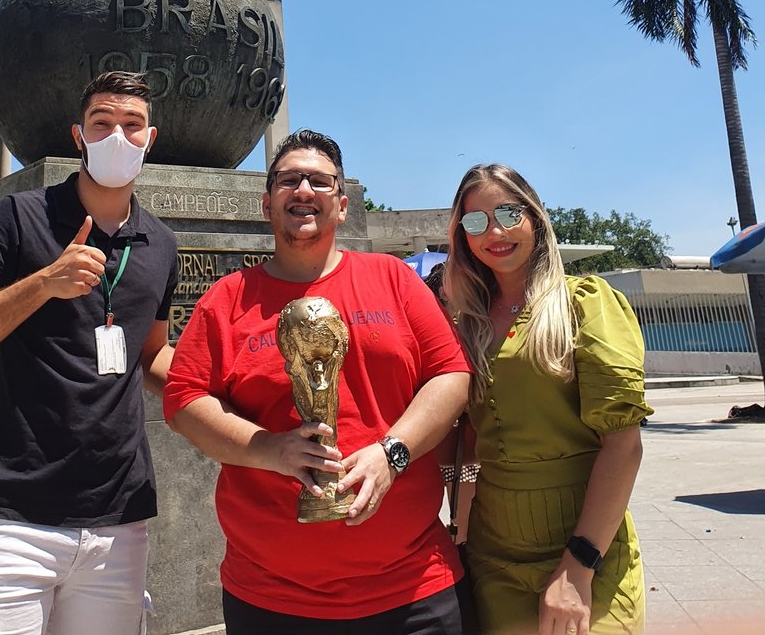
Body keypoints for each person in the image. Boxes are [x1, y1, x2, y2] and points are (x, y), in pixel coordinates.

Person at [164, 129, 472, 635]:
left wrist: (391, 453)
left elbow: (451, 374)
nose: (303, 190)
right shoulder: (227, 299)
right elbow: (183, 400)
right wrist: (269, 450)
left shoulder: (394, 278)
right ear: (267, 204)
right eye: (289, 180)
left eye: (320, 181)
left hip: (413, 589)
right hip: (271, 597)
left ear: (343, 204)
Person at [0, 71, 177, 635]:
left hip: (118, 520)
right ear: (78, 135)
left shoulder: (160, 243)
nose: (118, 135)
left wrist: (231, 392)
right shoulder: (18, 218)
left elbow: (152, 357)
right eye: (103, 123)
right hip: (11, 519)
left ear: (150, 139)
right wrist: (43, 282)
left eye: (132, 125)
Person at [445, 164, 649, 635]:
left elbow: (624, 446)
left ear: (535, 217)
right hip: (493, 554)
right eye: (475, 222)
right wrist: (460, 526)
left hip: (588, 544)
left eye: (508, 213)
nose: (494, 231)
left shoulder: (585, 302)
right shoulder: (465, 323)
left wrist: (578, 566)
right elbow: (471, 444)